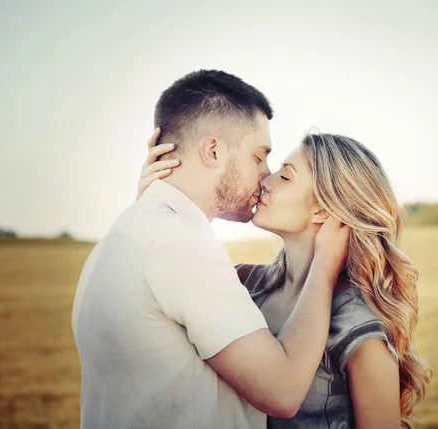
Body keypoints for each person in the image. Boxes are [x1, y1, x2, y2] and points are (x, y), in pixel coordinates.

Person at [72, 69, 350, 429]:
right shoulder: (176, 244)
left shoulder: (129, 232)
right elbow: (283, 391)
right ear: (213, 150)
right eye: (258, 156)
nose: (264, 175)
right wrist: (325, 265)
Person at [139, 130, 432, 428]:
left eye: (285, 176)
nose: (265, 180)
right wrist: (153, 200)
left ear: (322, 209)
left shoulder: (360, 330)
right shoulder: (242, 284)